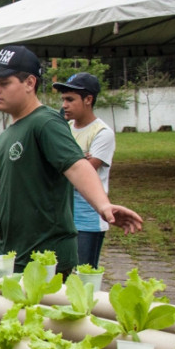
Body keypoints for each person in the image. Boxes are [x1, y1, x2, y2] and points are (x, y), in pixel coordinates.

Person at [0, 45, 141, 274]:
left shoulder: (45, 123)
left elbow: (77, 166)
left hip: (44, 257)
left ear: (30, 83)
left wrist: (103, 206)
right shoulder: (6, 135)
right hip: (13, 253)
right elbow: (11, 200)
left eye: (4, 83)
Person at [52, 73, 116, 269]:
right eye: (63, 99)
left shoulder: (102, 133)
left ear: (88, 99)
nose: (64, 105)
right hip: (63, 214)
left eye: (70, 99)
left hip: (88, 217)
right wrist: (80, 157)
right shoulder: (65, 128)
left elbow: (83, 171)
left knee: (84, 275)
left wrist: (66, 163)